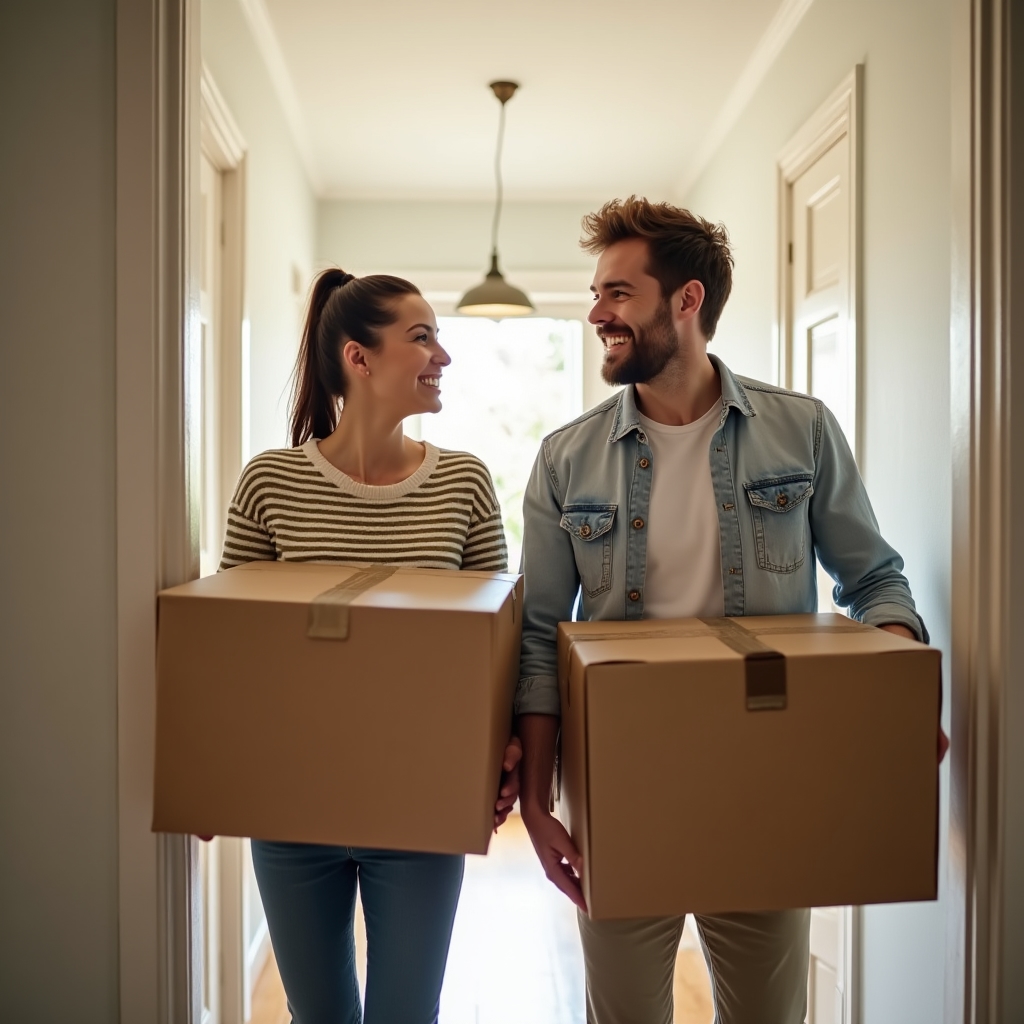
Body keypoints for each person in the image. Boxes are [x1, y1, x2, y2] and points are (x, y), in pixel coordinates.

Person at [514, 197, 947, 1024]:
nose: (597, 313)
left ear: (687, 301)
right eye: (597, 293)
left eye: (617, 293)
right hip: (619, 779)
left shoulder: (802, 432)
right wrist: (539, 804)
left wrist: (899, 694)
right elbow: (539, 639)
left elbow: (875, 580)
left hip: (769, 775)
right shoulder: (565, 458)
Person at [217, 268, 522, 1024]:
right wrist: (212, 767)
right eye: (423, 337)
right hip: (291, 808)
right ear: (359, 357)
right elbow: (227, 653)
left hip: (420, 805)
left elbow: (500, 651)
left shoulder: (465, 485)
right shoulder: (270, 484)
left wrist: (508, 750)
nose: (443, 355)